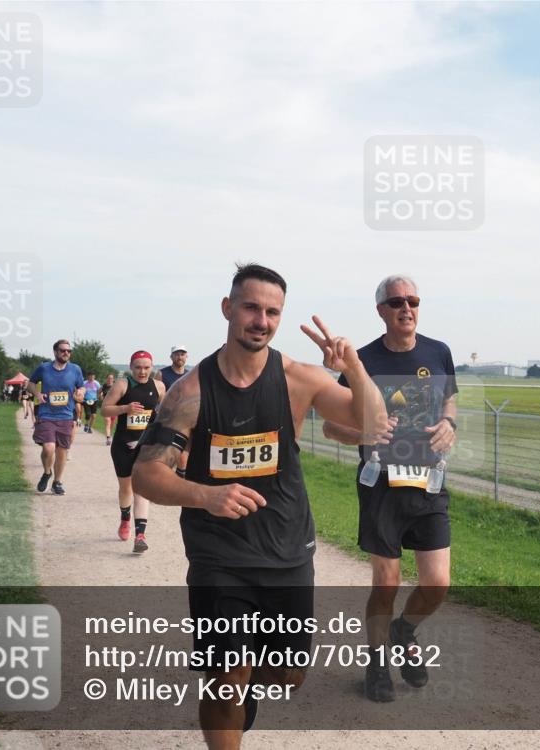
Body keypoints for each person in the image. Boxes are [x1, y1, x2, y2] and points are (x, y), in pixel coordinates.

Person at [132, 263, 386, 749]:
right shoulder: (192, 391)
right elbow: (147, 473)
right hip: (219, 555)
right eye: (251, 307)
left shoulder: (299, 380)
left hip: (288, 550)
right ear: (228, 309)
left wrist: (352, 366)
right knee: (226, 676)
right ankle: (229, 705)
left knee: (288, 675)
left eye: (272, 312)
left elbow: (373, 426)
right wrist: (205, 495)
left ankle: (244, 693)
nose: (261, 320)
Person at [323, 274, 457, 703]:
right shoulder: (362, 362)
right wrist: (363, 434)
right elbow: (330, 425)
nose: (407, 307)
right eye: (396, 301)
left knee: (437, 584)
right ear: (381, 310)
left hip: (429, 483)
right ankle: (377, 662)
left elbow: (450, 398)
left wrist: (450, 423)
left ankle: (405, 630)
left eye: (413, 299)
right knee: (387, 581)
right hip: (382, 485)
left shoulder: (439, 352)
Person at [101, 352, 165, 553]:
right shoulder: (122, 384)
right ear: (131, 367)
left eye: (146, 367)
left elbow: (165, 412)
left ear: (152, 367)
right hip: (123, 445)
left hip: (145, 447)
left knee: (142, 488)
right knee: (126, 488)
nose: (142, 371)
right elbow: (104, 410)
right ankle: (125, 517)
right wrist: (125, 408)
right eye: (138, 367)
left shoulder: (159, 387)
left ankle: (140, 535)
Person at [26, 340, 86, 495]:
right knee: (48, 447)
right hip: (46, 414)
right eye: (63, 350)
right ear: (55, 352)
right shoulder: (44, 368)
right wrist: (38, 394)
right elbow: (30, 384)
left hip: (66, 415)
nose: (66, 353)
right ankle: (47, 472)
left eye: (69, 351)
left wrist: (81, 392)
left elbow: (81, 386)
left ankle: (57, 482)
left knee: (62, 451)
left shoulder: (75, 369)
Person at [160, 345, 191, 476]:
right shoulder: (162, 373)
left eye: (182, 354)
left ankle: (180, 479)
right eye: (177, 354)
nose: (180, 357)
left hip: (186, 419)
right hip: (167, 419)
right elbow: (158, 397)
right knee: (167, 453)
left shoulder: (190, 375)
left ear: (186, 357)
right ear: (171, 356)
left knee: (184, 453)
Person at [101, 373, 116, 446]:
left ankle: (109, 435)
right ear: (106, 379)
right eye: (109, 378)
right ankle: (108, 438)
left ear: (113, 379)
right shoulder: (104, 386)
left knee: (111, 424)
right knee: (108, 422)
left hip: (114, 408)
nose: (110, 380)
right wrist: (100, 397)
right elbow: (99, 392)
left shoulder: (116, 387)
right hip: (106, 407)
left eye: (111, 378)